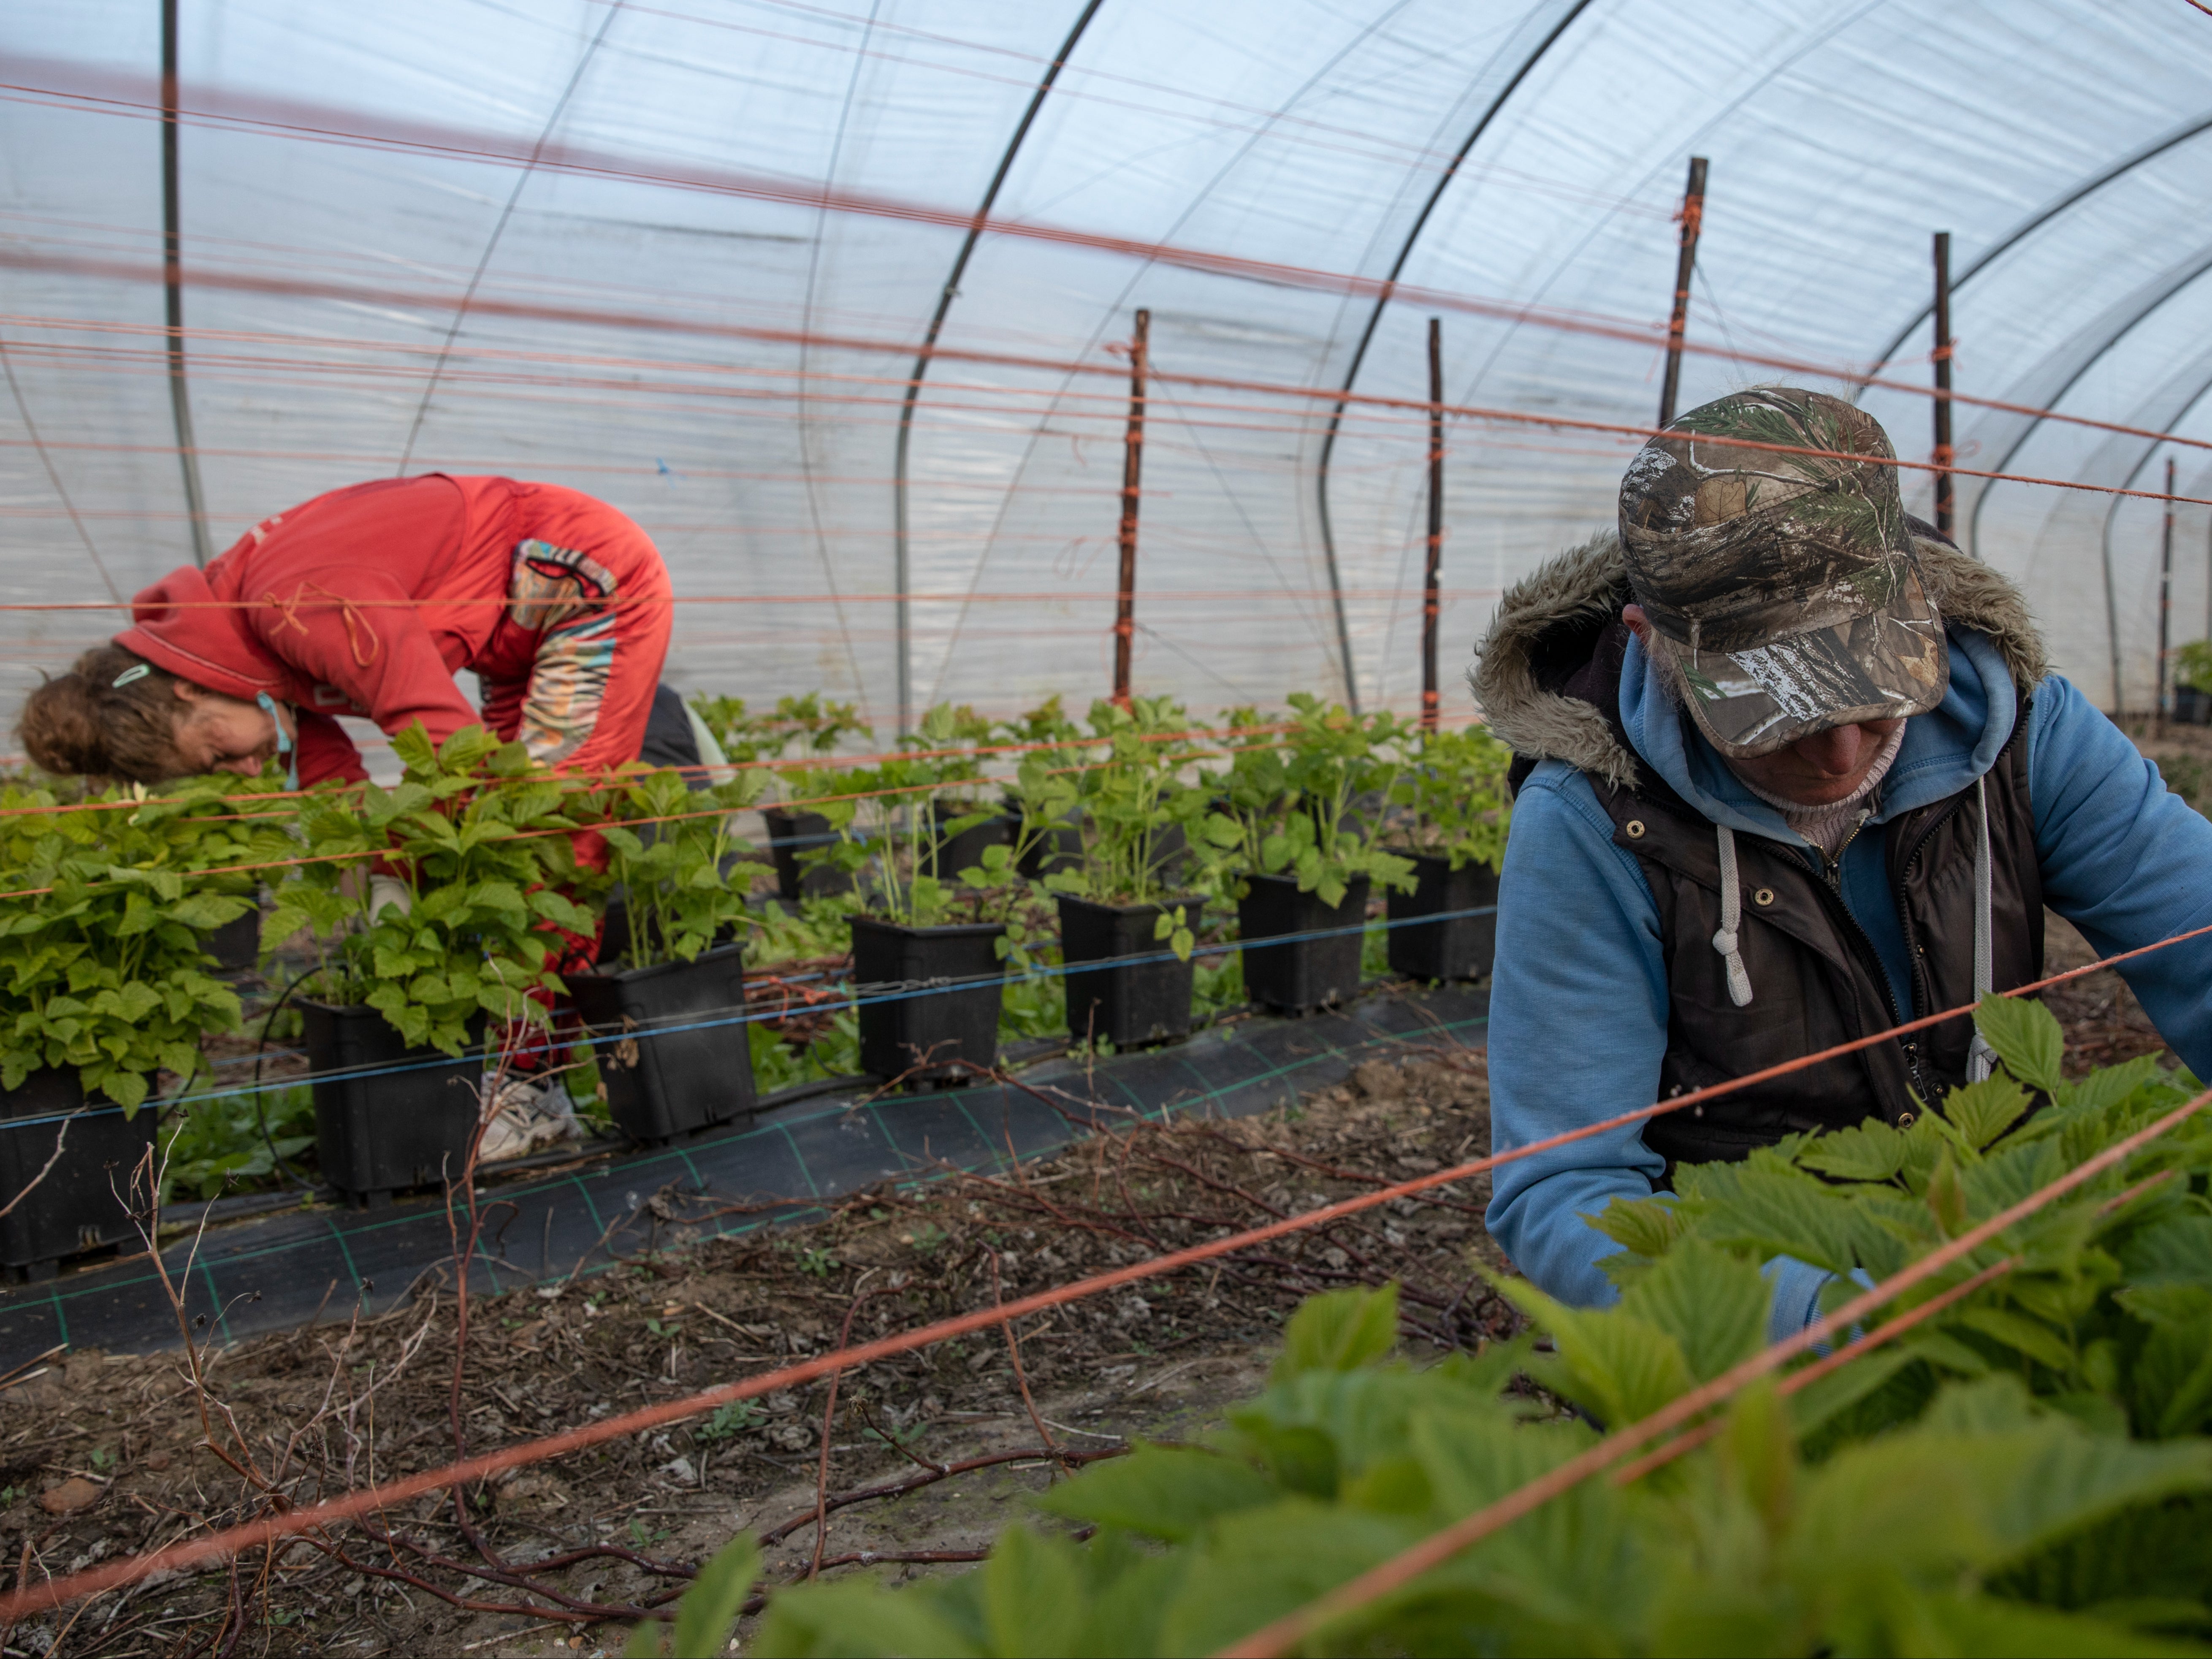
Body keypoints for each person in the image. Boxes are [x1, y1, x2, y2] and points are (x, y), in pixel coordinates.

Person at [1472, 387, 2212, 1337]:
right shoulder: (1590, 823)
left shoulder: (2020, 730)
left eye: (1874, 691)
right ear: (1652, 645)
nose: (1841, 754)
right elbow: (1565, 1192)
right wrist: (1823, 1323)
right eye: (1779, 714)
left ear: (1919, 605)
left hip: (1999, 1241)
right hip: (1766, 1300)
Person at [16, 472, 720, 1160]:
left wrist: (438, 872)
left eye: (214, 753)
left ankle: (532, 1091)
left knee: (554, 835)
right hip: (511, 638)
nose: (240, 770)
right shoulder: (245, 660)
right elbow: (337, 790)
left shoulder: (296, 603)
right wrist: (387, 879)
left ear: (186, 689)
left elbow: (440, 736)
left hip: (581, 580)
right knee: (517, 825)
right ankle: (507, 1070)